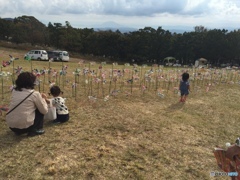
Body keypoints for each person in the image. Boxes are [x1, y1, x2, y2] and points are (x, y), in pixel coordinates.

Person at [6, 72, 48, 136]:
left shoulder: (14, 91)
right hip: (25, 127)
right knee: (39, 109)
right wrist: (43, 99)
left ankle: (18, 131)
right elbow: (44, 111)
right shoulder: (35, 94)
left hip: (11, 126)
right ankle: (35, 129)